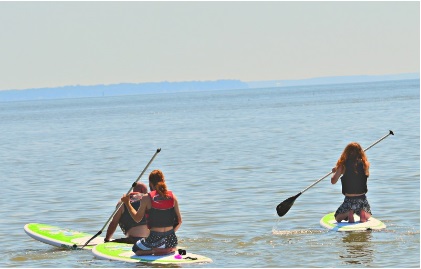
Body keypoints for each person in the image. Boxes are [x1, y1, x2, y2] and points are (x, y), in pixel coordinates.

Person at [121, 169, 182, 256]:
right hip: (171, 240)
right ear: (163, 181)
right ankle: (167, 249)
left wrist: (127, 203)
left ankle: (154, 251)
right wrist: (168, 234)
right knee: (165, 241)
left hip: (154, 240)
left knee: (135, 248)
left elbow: (137, 218)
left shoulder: (146, 198)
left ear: (150, 184)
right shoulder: (173, 197)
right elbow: (179, 221)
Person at [331, 142, 372, 223]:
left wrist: (335, 171)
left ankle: (349, 212)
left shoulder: (342, 165)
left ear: (346, 152)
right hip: (362, 200)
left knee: (337, 218)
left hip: (349, 200)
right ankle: (362, 212)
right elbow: (362, 174)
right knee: (369, 215)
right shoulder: (365, 164)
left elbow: (333, 181)